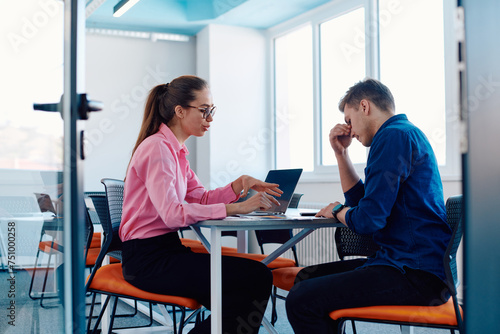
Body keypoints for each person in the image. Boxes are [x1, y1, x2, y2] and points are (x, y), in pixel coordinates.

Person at [286, 78, 452, 333]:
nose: (349, 130)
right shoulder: (401, 134)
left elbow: (367, 220)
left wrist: (337, 211)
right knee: (304, 278)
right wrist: (341, 154)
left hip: (415, 273)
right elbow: (363, 203)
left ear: (364, 106)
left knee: (302, 299)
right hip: (404, 264)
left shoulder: (392, 137)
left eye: (349, 120)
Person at [120, 75, 283, 334]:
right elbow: (173, 214)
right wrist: (236, 207)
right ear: (180, 111)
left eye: (212, 111)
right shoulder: (157, 148)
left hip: (165, 251)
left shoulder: (176, 151)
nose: (210, 118)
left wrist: (239, 184)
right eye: (205, 110)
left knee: (242, 289)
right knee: (253, 279)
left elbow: (201, 197)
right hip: (147, 260)